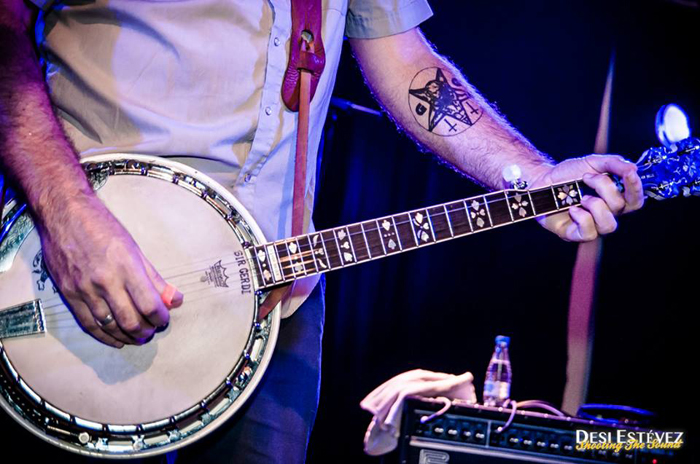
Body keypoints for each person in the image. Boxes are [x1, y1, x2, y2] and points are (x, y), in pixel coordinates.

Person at [0, 1, 644, 462]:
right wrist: (69, 219)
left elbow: (409, 65)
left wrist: (528, 174)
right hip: (78, 269)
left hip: (278, 304)